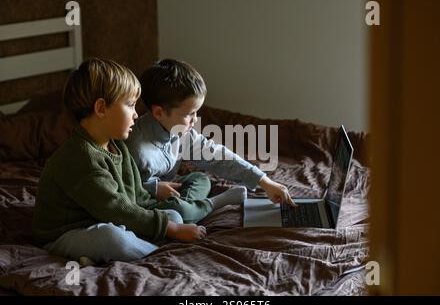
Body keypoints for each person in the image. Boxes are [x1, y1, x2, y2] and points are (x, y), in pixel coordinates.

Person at [32, 58, 207, 264]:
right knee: (112, 238)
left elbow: (137, 197)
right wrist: (173, 230)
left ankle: (109, 255)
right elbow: (115, 208)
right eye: (130, 105)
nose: (136, 114)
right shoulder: (81, 157)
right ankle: (159, 255)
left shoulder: (117, 146)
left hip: (105, 219)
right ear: (101, 108)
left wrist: (169, 218)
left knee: (173, 216)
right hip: (68, 233)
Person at [125, 59, 296, 225]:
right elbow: (122, 189)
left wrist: (264, 181)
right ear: (159, 112)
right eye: (188, 114)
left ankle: (189, 209)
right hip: (145, 203)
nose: (195, 120)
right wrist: (153, 189)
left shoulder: (183, 134)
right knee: (178, 212)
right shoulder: (135, 147)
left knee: (201, 179)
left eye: (196, 112)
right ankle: (211, 204)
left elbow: (217, 156)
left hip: (170, 193)